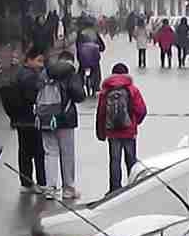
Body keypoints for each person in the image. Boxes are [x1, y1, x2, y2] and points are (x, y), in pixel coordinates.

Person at [95, 60, 148, 195]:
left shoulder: (105, 91)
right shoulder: (132, 90)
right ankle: (133, 187)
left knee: (115, 160)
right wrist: (134, 123)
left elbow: (101, 113)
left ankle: (115, 189)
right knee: (131, 159)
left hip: (112, 132)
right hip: (129, 131)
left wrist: (101, 132)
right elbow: (142, 110)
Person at [40, 51, 84, 199]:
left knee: (50, 153)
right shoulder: (71, 73)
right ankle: (68, 188)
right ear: (71, 61)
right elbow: (78, 95)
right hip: (65, 119)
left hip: (46, 117)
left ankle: (50, 188)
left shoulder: (46, 72)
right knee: (67, 154)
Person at [1, 49, 48, 190]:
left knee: (24, 151)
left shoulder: (19, 73)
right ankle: (42, 183)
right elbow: (32, 98)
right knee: (39, 152)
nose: (41, 65)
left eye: (42, 61)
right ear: (29, 60)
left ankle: (26, 182)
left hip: (19, 119)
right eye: (38, 61)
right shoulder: (30, 77)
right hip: (31, 119)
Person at [73, 19, 105, 94]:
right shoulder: (94, 33)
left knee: (81, 70)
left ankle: (79, 85)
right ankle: (96, 85)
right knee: (97, 69)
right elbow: (101, 45)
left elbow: (77, 45)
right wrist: (101, 48)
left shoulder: (80, 33)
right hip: (94, 57)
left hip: (83, 57)